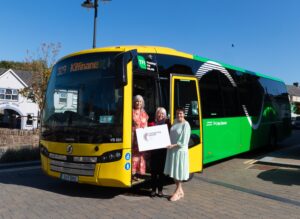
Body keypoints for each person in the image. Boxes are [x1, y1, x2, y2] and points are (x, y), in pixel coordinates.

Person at [164, 107, 191, 201]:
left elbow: (184, 141)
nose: (179, 115)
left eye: (181, 113)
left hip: (180, 151)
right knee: (174, 172)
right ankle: (180, 191)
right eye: (177, 113)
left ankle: (177, 192)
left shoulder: (186, 125)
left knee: (178, 172)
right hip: (172, 150)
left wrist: (173, 145)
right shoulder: (175, 121)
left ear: (184, 114)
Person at [148, 107, 169, 197]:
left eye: (162, 114)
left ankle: (160, 190)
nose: (160, 115)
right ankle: (153, 190)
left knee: (161, 172)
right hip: (154, 151)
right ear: (156, 114)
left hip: (163, 151)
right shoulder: (151, 124)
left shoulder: (167, 124)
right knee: (153, 172)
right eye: (159, 113)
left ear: (165, 115)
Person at [132, 95, 149, 180]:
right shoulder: (131, 112)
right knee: (133, 156)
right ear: (134, 102)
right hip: (133, 138)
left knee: (140, 156)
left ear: (142, 103)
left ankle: (137, 174)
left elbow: (147, 126)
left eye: (140, 101)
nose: (138, 103)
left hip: (142, 138)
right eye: (137, 101)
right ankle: (131, 174)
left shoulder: (144, 113)